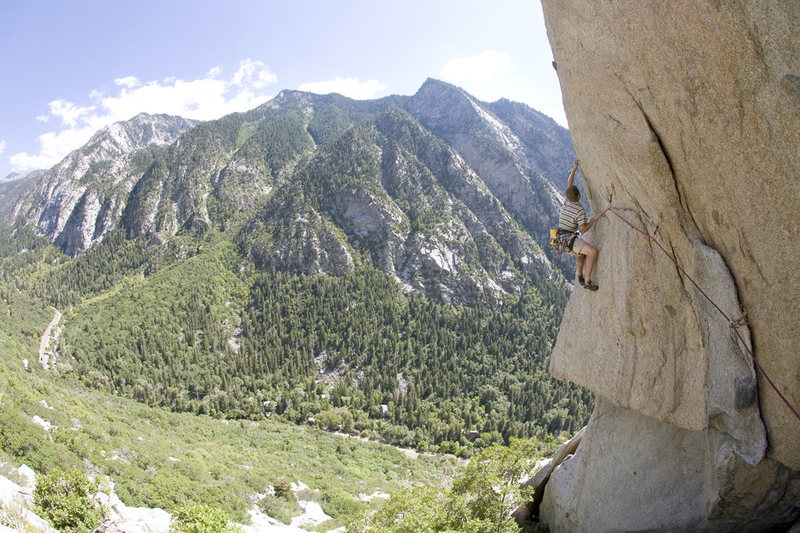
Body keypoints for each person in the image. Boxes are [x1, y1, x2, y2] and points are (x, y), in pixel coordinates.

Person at [559, 160, 601, 291]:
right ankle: (587, 281)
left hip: (558, 239)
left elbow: (569, 184)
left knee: (580, 253)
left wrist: (574, 169)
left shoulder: (567, 200)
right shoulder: (579, 209)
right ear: (579, 195)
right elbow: (582, 229)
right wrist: (593, 220)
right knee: (592, 252)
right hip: (569, 240)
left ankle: (579, 275)